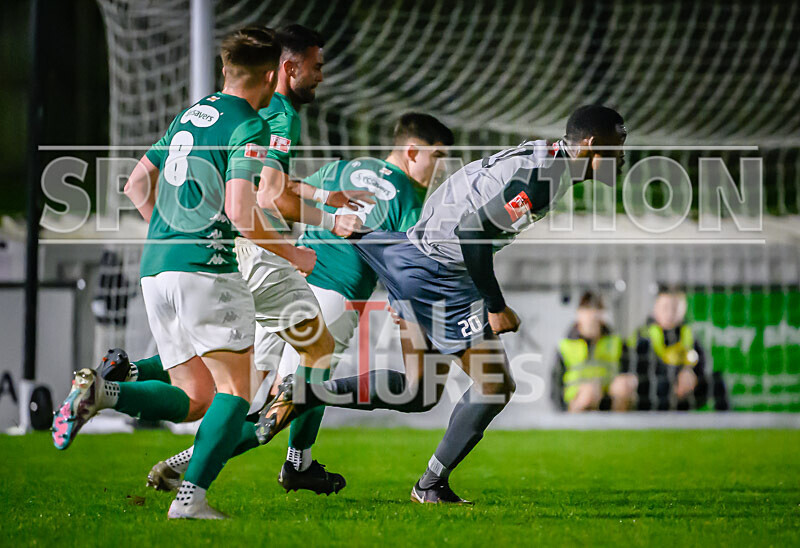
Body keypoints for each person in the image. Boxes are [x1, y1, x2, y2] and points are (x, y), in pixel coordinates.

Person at [255, 105, 628, 504]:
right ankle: (429, 485)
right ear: (589, 146)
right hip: (440, 273)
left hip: (414, 256)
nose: (621, 160)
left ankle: (308, 392)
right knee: (494, 385)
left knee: (418, 391)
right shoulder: (548, 177)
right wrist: (494, 304)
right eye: (617, 149)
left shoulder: (545, 155)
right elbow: (472, 232)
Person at [50, 26, 336, 520]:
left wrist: (172, 230)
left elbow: (137, 183)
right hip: (207, 268)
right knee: (237, 392)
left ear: (225, 69)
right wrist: (295, 255)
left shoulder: (190, 114)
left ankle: (104, 390)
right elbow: (244, 212)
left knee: (194, 397)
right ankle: (191, 498)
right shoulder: (252, 124)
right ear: (272, 75)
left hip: (156, 266)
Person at [146, 112, 453, 496]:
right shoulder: (409, 196)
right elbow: (407, 264)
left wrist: (292, 246)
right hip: (334, 297)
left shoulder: (340, 170)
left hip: (285, 283)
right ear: (412, 151)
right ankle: (180, 469)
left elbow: (280, 196)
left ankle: (299, 464)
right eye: (437, 156)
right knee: (288, 403)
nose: (439, 168)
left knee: (245, 389)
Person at [610, 286, 729, 411]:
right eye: (665, 308)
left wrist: (691, 373)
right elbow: (635, 367)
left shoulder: (688, 334)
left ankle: (727, 423)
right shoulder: (643, 335)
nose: (670, 313)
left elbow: (703, 362)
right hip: (653, 395)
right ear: (656, 309)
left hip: (684, 393)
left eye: (675, 308)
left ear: (683, 310)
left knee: (717, 380)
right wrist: (676, 373)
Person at [551, 292, 623, 412]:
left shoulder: (615, 342)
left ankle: (621, 427)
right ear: (578, 314)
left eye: (596, 309)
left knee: (624, 385)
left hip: (608, 397)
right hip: (577, 400)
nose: (592, 315)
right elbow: (555, 386)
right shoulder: (566, 345)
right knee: (589, 393)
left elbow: (625, 371)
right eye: (587, 310)